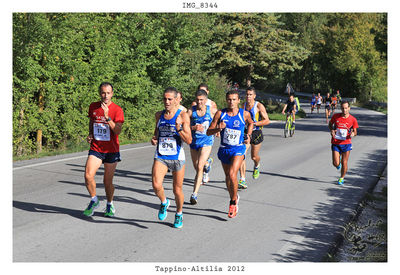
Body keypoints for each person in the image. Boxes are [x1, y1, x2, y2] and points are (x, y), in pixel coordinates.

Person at [207, 90, 253, 218]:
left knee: (233, 174)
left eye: (234, 99)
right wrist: (218, 128)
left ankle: (232, 202)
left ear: (238, 101)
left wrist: (248, 135)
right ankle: (234, 196)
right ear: (226, 100)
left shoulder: (244, 114)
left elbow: (251, 123)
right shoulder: (220, 114)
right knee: (228, 177)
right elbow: (208, 132)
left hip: (238, 149)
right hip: (224, 149)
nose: (231, 102)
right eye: (229, 99)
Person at [150, 87, 192, 228]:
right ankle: (164, 202)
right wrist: (154, 139)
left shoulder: (183, 115)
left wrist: (179, 128)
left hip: (177, 156)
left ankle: (179, 213)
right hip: (161, 155)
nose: (166, 102)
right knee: (156, 184)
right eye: (165, 99)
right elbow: (156, 133)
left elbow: (189, 140)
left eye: (169, 99)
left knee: (177, 190)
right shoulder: (159, 115)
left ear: (176, 100)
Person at [83, 82, 124, 217]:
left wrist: (108, 117)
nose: (105, 96)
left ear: (112, 93)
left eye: (108, 93)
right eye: (103, 93)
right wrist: (90, 133)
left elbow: (117, 131)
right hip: (96, 148)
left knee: (107, 182)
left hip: (111, 150)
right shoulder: (93, 106)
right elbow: (92, 121)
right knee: (88, 175)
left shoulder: (117, 110)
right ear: (99, 93)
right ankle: (94, 200)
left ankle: (110, 204)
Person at [187, 89, 217, 204]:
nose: (199, 102)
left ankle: (194, 194)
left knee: (199, 167)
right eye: (198, 100)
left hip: (206, 141)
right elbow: (183, 124)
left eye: (202, 100)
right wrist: (193, 128)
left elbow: (219, 119)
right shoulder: (191, 111)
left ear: (206, 100)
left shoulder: (212, 110)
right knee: (196, 166)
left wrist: (217, 129)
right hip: (194, 142)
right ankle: (207, 162)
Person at [238, 87, 270, 189]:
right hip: (246, 132)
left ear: (254, 96)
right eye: (247, 94)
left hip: (256, 132)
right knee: (242, 154)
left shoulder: (259, 106)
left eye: (250, 95)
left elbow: (267, 121)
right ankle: (242, 179)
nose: (248, 96)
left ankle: (257, 165)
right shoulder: (243, 105)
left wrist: (254, 123)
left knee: (254, 157)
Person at [191, 83, 218, 184]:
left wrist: (216, 129)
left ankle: (203, 174)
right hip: (196, 136)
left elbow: (217, 117)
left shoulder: (212, 104)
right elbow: (191, 118)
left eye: (204, 91)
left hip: (207, 136)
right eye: (200, 90)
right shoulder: (194, 104)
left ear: (207, 93)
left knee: (200, 163)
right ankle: (207, 164)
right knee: (197, 162)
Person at [328, 101, 358, 185]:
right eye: (342, 108)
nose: (344, 110)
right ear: (340, 108)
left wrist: (353, 134)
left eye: (346, 108)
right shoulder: (336, 116)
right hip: (336, 142)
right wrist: (332, 130)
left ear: (349, 108)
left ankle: (342, 178)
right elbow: (330, 124)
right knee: (335, 163)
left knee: (344, 162)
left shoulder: (353, 119)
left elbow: (355, 132)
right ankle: (338, 165)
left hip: (346, 143)